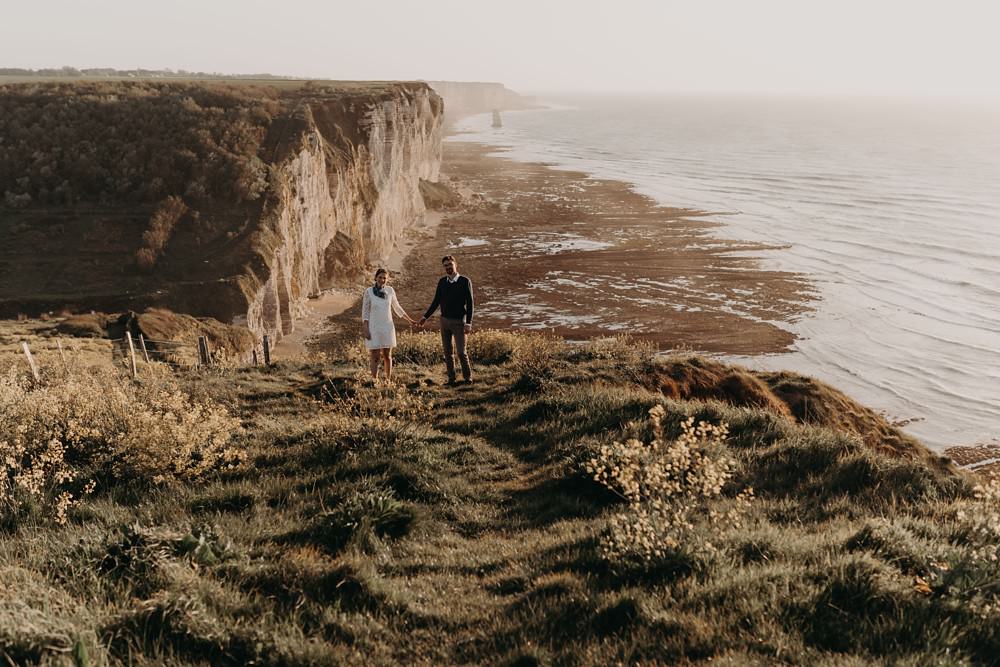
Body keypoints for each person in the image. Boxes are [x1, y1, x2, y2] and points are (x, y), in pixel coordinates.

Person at [418, 255, 474, 385]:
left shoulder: (465, 281)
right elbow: (436, 301)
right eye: (446, 265)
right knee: (447, 352)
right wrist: (425, 317)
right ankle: (451, 379)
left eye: (450, 264)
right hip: (444, 321)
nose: (448, 267)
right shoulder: (442, 282)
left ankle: (467, 378)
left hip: (459, 322)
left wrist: (468, 323)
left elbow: (470, 304)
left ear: (455, 265)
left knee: (461, 352)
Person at [362, 268, 414, 382]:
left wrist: (409, 320)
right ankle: (374, 381)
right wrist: (365, 328)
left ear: (387, 279)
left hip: (387, 326)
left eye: (385, 278)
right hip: (374, 327)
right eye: (380, 277)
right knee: (375, 356)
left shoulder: (390, 290)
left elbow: (397, 307)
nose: (382, 280)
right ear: (376, 278)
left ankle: (387, 380)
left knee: (387, 355)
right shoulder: (369, 292)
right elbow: (365, 311)